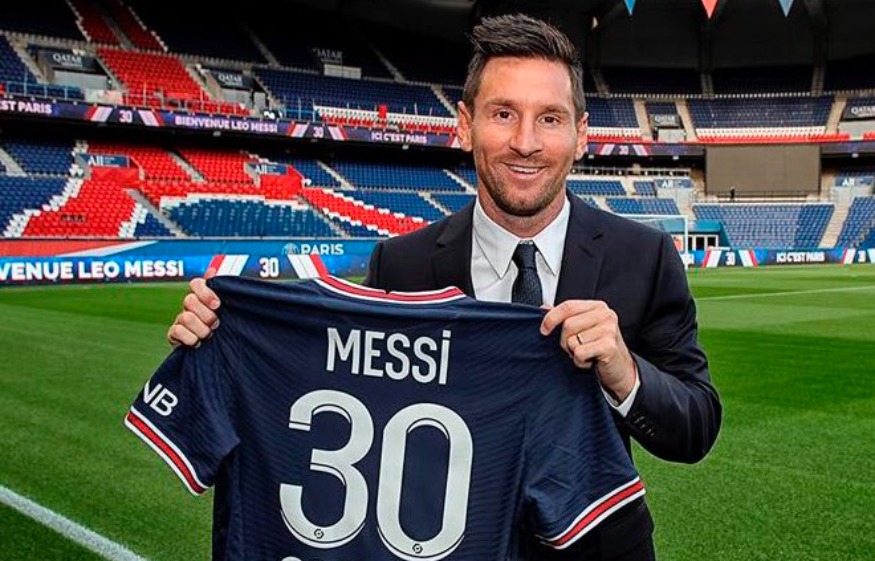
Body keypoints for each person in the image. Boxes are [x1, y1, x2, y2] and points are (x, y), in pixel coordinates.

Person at [166, 13, 721, 561]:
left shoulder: (643, 257)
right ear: (464, 125)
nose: (525, 142)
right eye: (503, 114)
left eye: (550, 118)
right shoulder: (400, 266)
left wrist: (624, 373)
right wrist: (222, 337)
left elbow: (695, 428)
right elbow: (329, 386)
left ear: (581, 135)